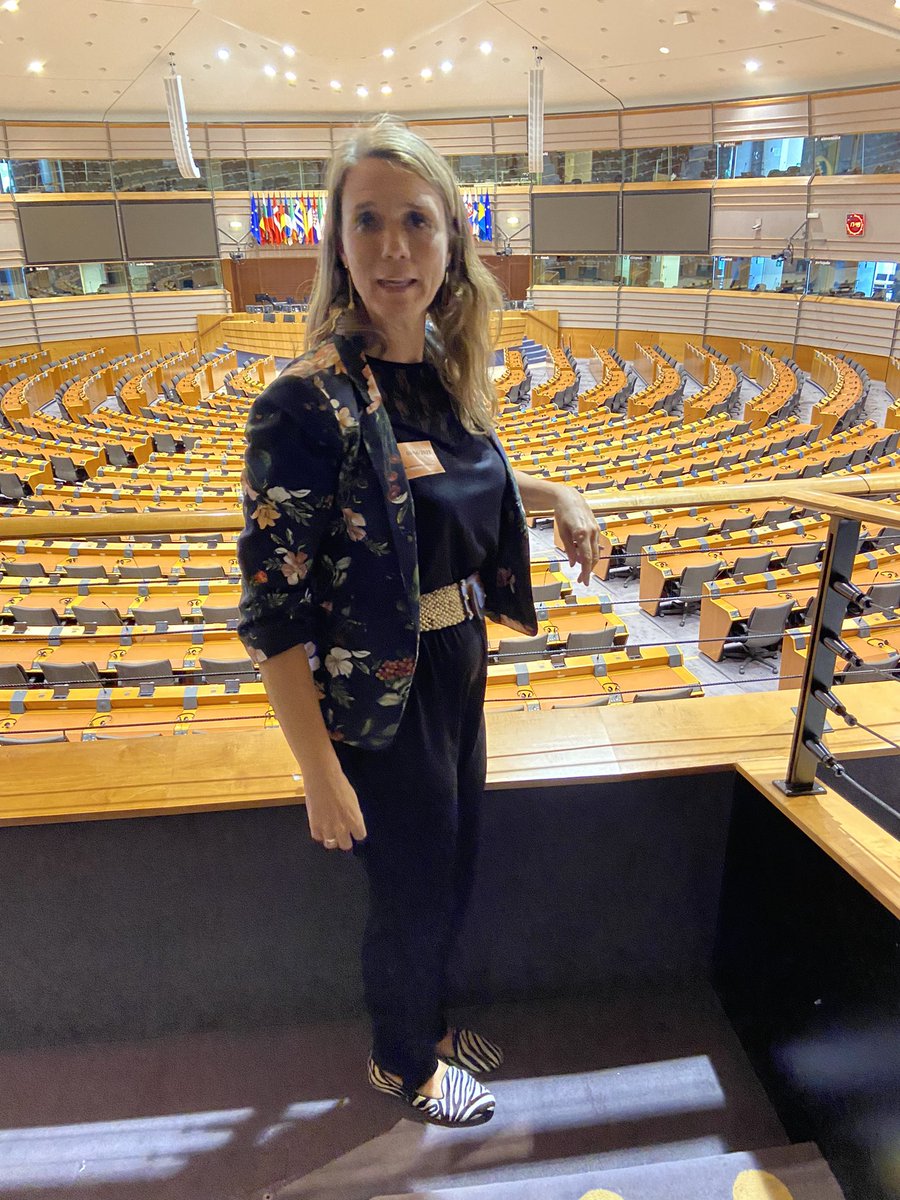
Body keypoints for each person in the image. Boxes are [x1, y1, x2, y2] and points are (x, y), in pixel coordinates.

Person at [236, 114, 600, 1129]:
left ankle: (434, 1024)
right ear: (337, 243)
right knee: (407, 890)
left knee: (455, 861)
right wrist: (317, 768)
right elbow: (276, 609)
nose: (394, 247)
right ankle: (401, 1060)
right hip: (377, 696)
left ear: (451, 242)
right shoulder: (302, 404)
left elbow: (450, 490)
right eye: (368, 222)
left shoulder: (442, 371)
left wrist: (557, 492)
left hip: (459, 663)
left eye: (417, 222)